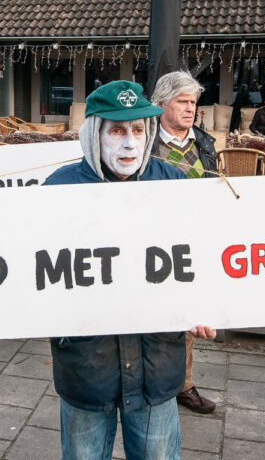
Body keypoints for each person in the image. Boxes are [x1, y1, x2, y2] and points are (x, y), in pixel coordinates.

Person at [43, 80, 216, 459]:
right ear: (94, 134)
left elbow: (199, 257)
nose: (129, 143)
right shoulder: (56, 191)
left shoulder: (172, 184)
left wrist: (203, 306)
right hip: (87, 368)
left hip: (156, 366)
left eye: (138, 130)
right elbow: (29, 271)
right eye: (117, 130)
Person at [149, 71, 217, 415]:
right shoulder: (144, 142)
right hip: (152, 239)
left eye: (193, 102)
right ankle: (152, 380)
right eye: (182, 102)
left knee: (188, 313)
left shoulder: (205, 143)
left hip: (192, 239)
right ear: (161, 105)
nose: (190, 109)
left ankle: (184, 384)